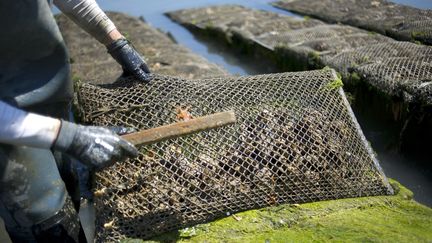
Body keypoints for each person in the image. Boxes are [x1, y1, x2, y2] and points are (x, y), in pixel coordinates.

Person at [0, 0, 151, 241]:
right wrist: (69, 136)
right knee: (46, 217)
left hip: (52, 94)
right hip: (7, 132)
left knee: (70, 190)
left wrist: (115, 41)